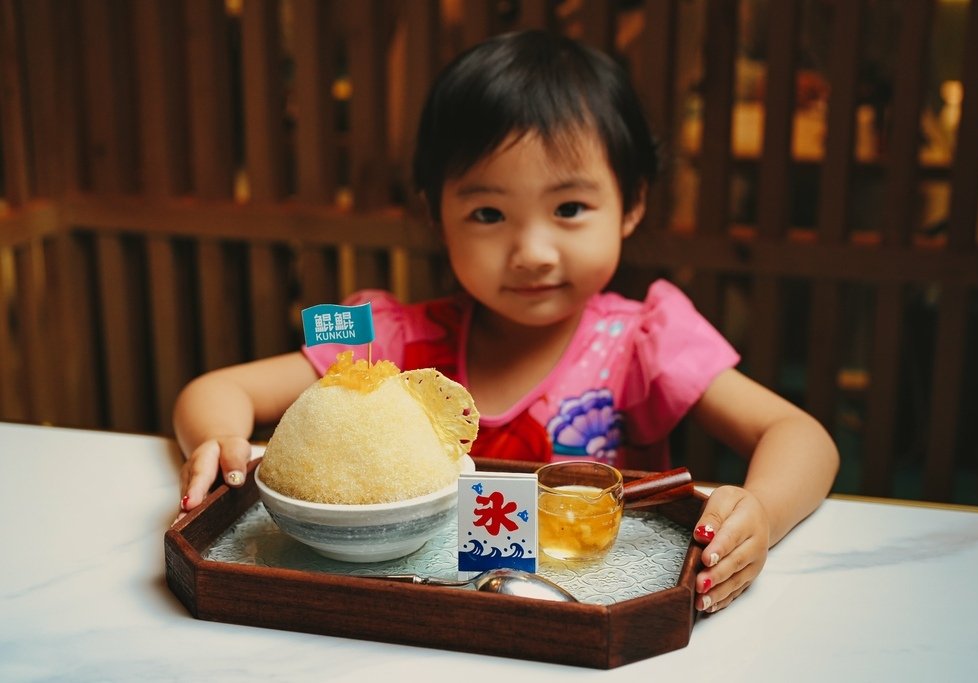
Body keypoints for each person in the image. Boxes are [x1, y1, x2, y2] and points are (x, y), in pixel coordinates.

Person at [173, 29, 839, 614]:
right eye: (488, 214)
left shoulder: (645, 336)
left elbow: (802, 435)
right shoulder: (382, 332)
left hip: (590, 614)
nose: (532, 253)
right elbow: (213, 390)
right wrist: (220, 441)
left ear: (632, 203)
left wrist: (762, 511)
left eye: (571, 207)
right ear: (437, 215)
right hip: (413, 617)